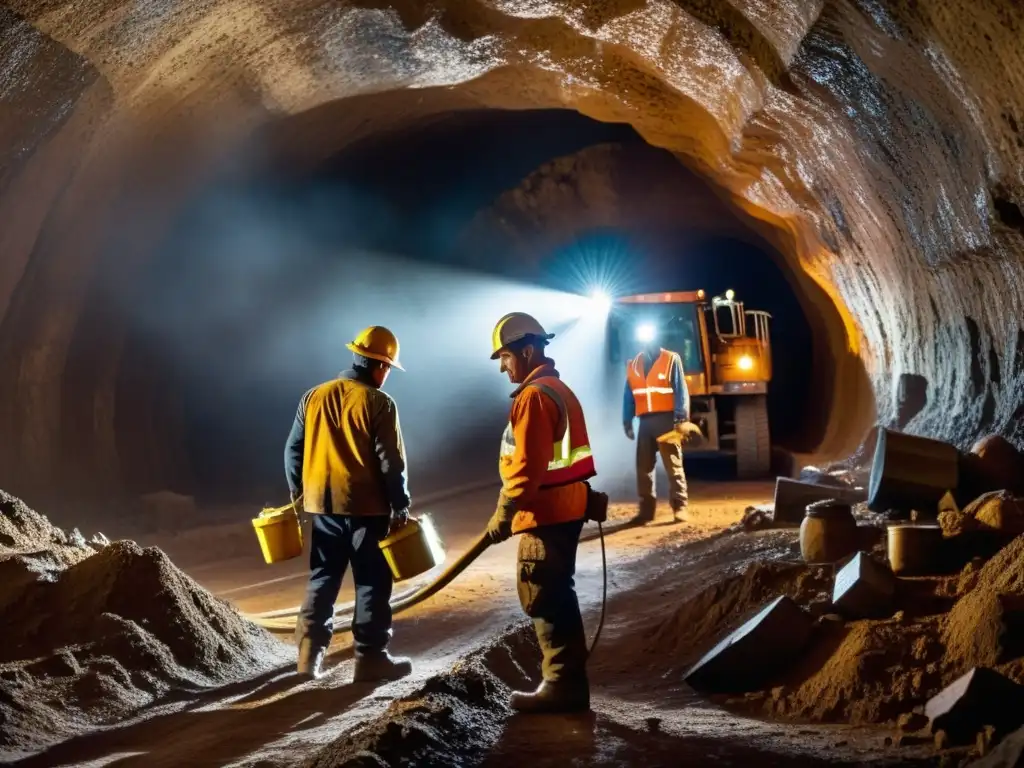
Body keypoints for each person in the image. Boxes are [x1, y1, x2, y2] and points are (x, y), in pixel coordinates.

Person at [284, 325, 413, 682]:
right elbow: (391, 462)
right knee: (371, 581)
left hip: (323, 508)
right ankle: (371, 659)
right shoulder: (379, 402)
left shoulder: (313, 397)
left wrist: (300, 492)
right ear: (380, 366)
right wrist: (400, 504)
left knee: (322, 577)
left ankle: (308, 658)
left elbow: (292, 451)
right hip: (368, 511)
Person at [486, 311, 597, 713]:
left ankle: (562, 684)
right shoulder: (558, 389)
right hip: (565, 508)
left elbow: (526, 470)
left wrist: (504, 512)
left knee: (544, 593)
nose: (502, 367)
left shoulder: (535, 397)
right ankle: (565, 682)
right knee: (556, 591)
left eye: (505, 357)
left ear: (527, 351)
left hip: (545, 513)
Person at [623, 332, 689, 524]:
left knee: (673, 466)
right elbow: (629, 395)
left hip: (667, 420)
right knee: (643, 468)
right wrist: (627, 420)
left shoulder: (671, 359)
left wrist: (680, 418)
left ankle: (680, 507)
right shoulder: (633, 364)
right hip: (645, 422)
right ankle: (646, 511)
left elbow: (680, 391)